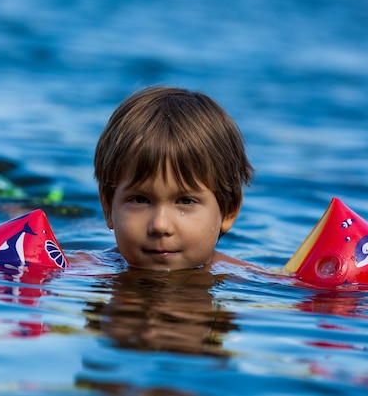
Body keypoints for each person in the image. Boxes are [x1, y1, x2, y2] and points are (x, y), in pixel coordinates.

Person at [93, 86, 257, 272]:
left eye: (185, 201)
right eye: (140, 199)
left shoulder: (257, 283)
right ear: (108, 205)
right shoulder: (80, 270)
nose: (160, 225)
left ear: (229, 209)